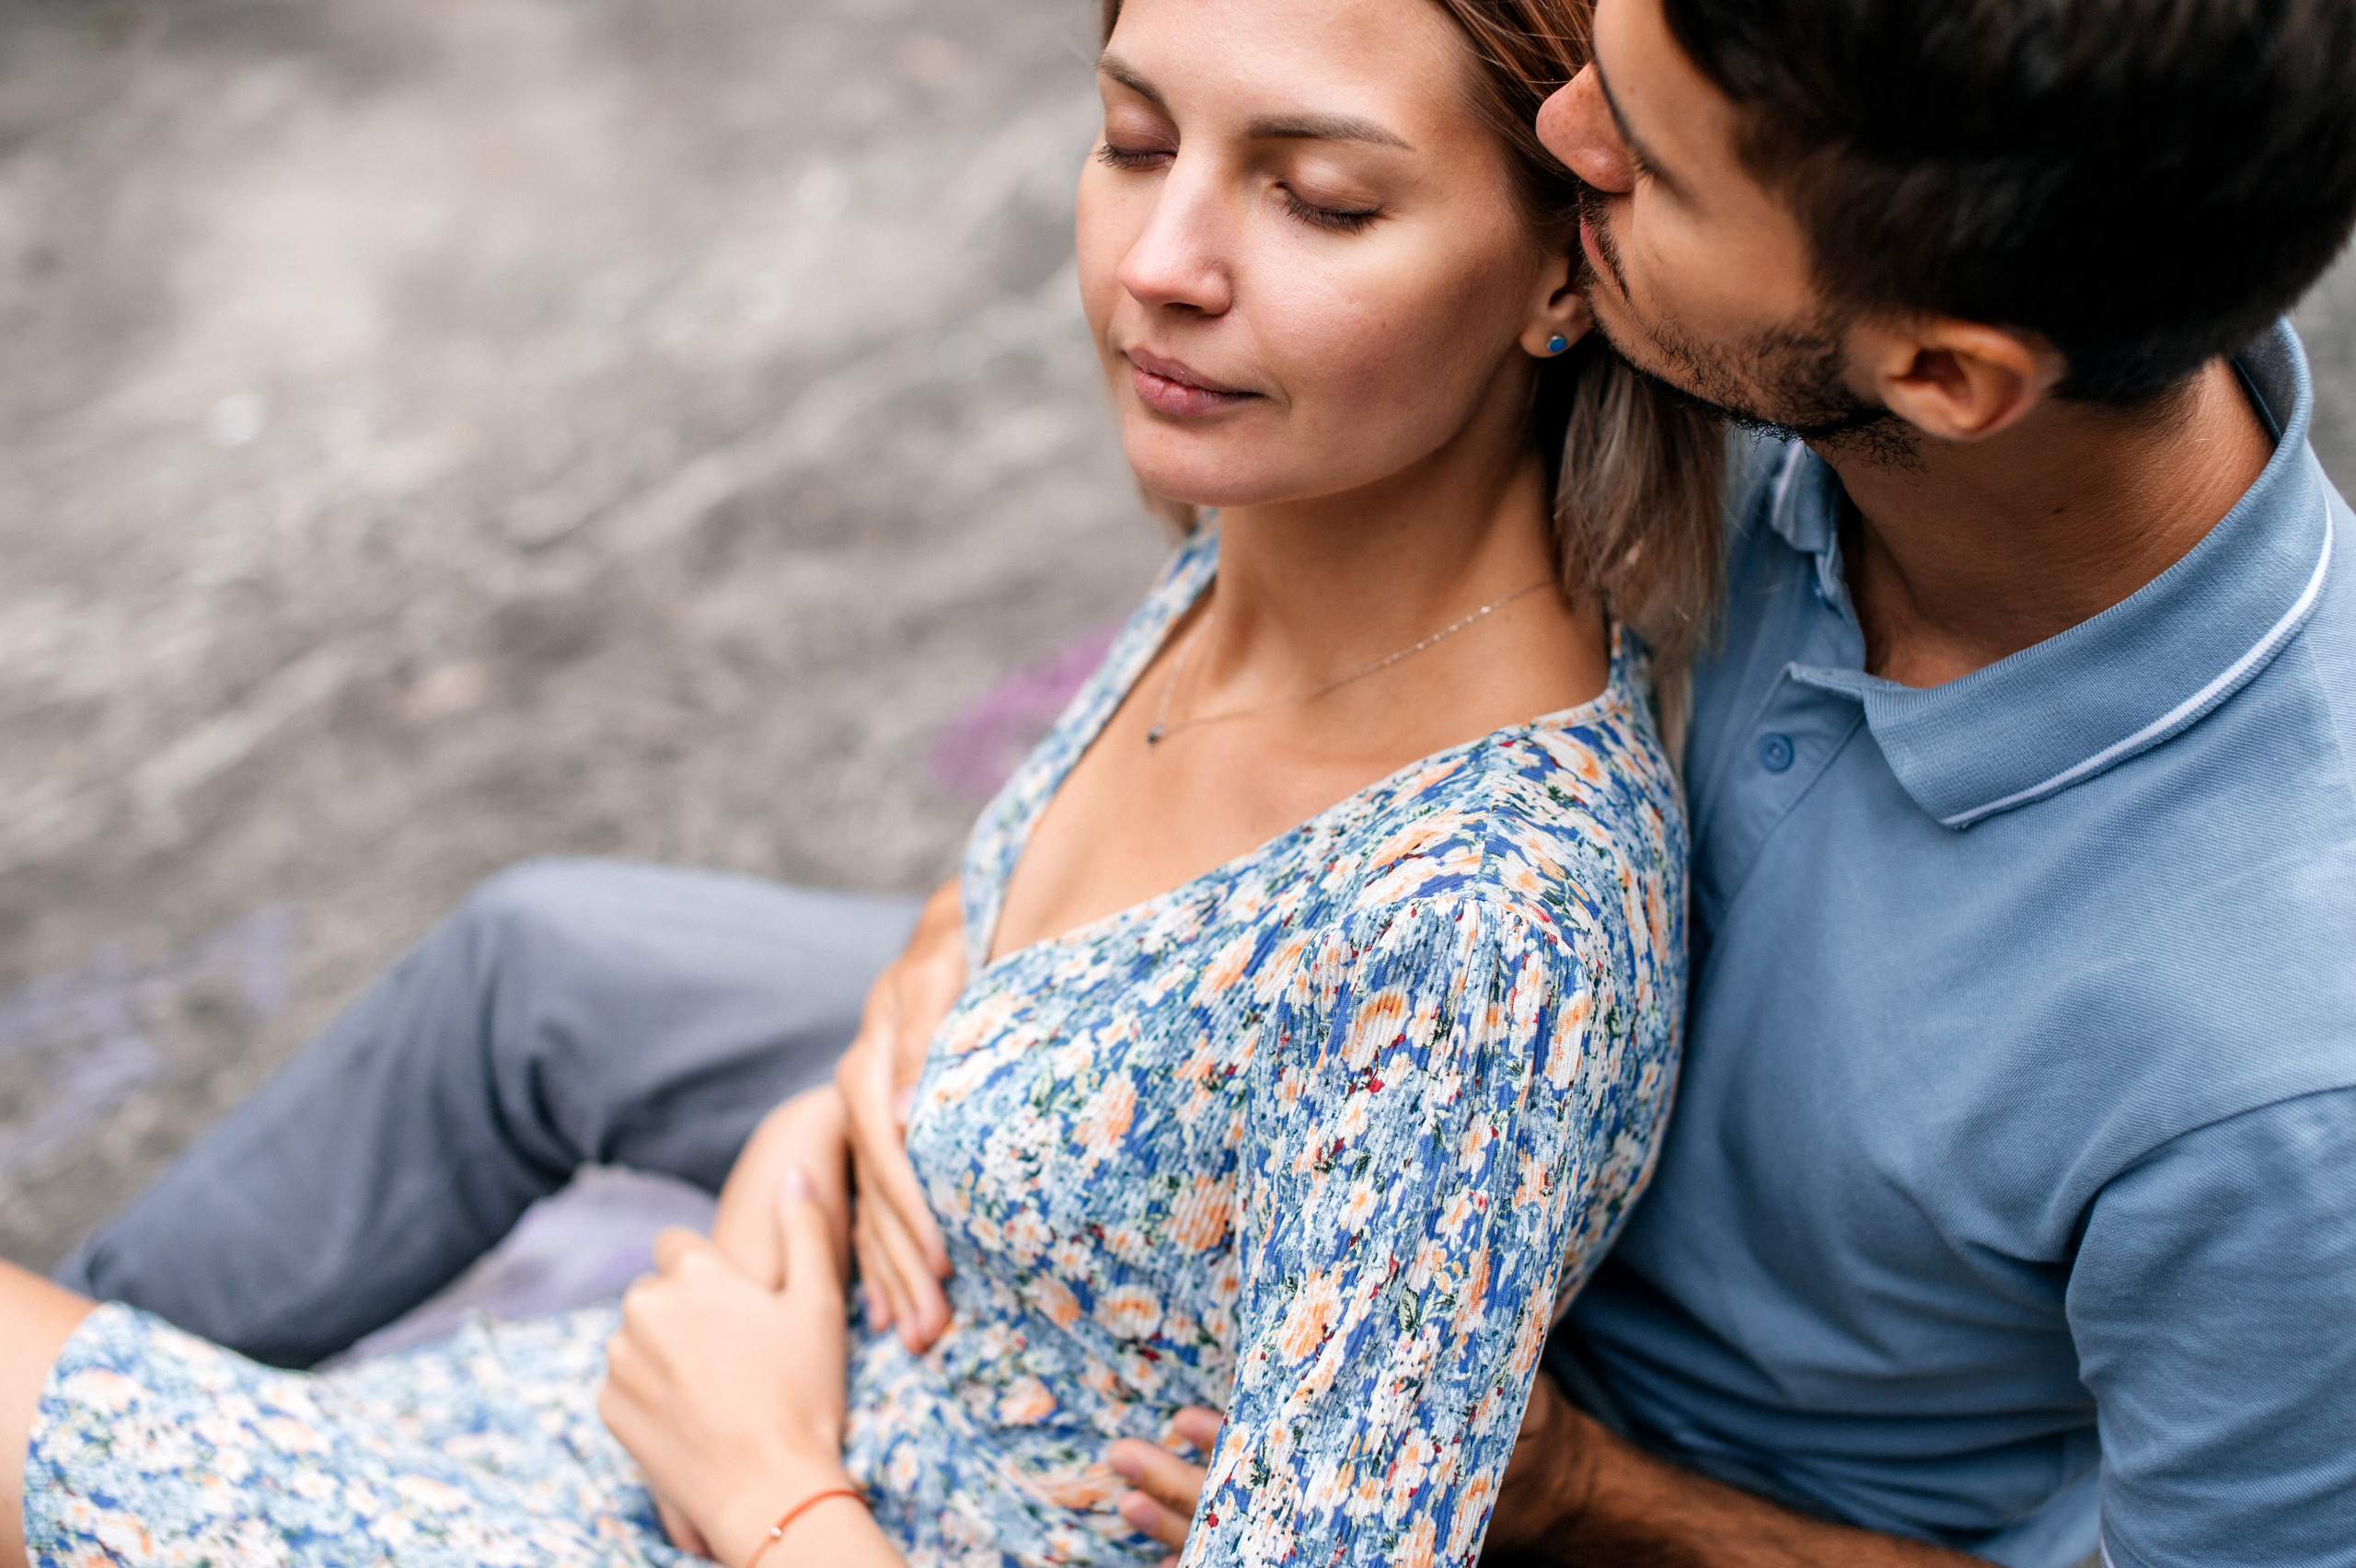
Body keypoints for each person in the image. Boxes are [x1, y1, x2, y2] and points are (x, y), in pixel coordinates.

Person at [0, 0, 1722, 1562]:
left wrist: (765, 1486)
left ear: (1570, 266)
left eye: (1321, 201)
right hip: (670, 1416)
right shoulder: (1277, 546)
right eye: (1131, 143)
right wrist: (861, 1093)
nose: (1160, 261)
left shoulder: (1487, 936)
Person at [1095, 0, 2356, 1564]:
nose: (1566, 142)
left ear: (1945, 375)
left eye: (1652, 170)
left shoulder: (2281, 1085)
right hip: (1237, 1138)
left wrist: (1583, 1491)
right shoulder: (1782, 365)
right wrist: (950, 966)